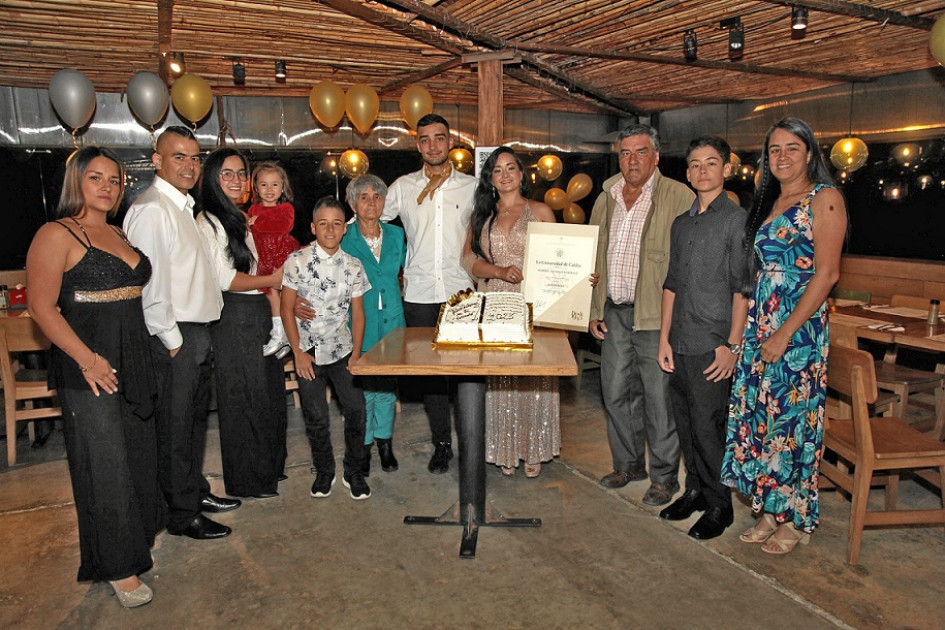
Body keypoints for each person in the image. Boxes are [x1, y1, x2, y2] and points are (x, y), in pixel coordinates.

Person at [27, 146, 163, 607]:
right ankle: (118, 567)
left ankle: (136, 539)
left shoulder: (119, 232)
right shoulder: (56, 233)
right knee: (103, 466)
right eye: (96, 179)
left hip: (134, 356)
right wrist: (88, 359)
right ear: (76, 183)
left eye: (115, 180)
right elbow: (41, 309)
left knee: (138, 455)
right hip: (88, 367)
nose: (108, 187)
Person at [721, 117, 846, 555]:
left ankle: (794, 517)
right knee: (761, 419)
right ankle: (770, 510)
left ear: (810, 153)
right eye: (774, 149)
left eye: (792, 148)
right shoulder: (771, 201)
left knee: (791, 424)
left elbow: (827, 273)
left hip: (798, 331)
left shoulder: (824, 198)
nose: (783, 157)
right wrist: (750, 335)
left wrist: (784, 334)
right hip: (762, 324)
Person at [124, 126, 239, 541]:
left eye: (195, 158)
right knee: (175, 429)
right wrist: (173, 341)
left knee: (192, 424)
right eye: (179, 157)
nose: (189, 166)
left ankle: (194, 492)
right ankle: (181, 514)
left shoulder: (182, 207)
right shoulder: (153, 209)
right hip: (178, 336)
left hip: (197, 331)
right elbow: (149, 284)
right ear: (157, 160)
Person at [588, 123, 695, 506]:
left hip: (656, 317)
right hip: (614, 311)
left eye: (640, 152)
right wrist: (591, 308)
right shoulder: (606, 197)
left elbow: (689, 262)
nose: (631, 160)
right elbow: (593, 257)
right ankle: (628, 464)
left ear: (656, 156)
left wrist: (679, 321)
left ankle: (665, 478)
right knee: (615, 392)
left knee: (658, 399)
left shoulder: (679, 196)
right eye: (625, 153)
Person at [656, 136, 748, 540]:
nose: (702, 171)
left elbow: (743, 288)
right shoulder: (681, 223)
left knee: (711, 429)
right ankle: (694, 490)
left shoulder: (736, 220)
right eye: (694, 164)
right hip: (678, 341)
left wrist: (732, 344)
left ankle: (719, 505)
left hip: (713, 345)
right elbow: (671, 284)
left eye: (712, 163)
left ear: (727, 169)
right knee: (686, 422)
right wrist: (663, 339)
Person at [380, 113, 477, 474]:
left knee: (468, 373)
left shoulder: (472, 187)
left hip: (462, 292)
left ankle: (472, 441)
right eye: (425, 139)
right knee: (433, 377)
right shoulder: (403, 187)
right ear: (417, 144)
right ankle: (442, 444)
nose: (433, 145)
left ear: (450, 142)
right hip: (419, 293)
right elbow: (373, 219)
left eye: (440, 138)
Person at [195, 148, 288, 499]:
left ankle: (267, 471)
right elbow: (225, 279)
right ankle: (247, 481)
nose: (237, 180)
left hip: (257, 312)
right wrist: (273, 279)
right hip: (233, 314)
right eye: (227, 173)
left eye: (241, 173)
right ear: (213, 178)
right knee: (242, 400)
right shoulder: (209, 220)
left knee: (266, 396)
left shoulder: (237, 217)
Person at [462, 147, 559, 477]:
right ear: (490, 178)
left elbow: (562, 256)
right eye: (497, 170)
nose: (504, 175)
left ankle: (534, 448)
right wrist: (498, 271)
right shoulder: (481, 217)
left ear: (521, 173)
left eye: (510, 168)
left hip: (535, 305)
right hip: (497, 302)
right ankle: (505, 449)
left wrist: (581, 276)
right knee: (502, 377)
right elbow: (467, 260)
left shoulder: (541, 211)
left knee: (534, 376)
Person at [282, 197, 372, 500]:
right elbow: (285, 309)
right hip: (307, 353)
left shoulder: (353, 266)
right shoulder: (296, 260)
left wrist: (357, 354)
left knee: (357, 411)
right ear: (312, 227)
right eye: (323, 223)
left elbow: (358, 314)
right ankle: (324, 470)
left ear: (344, 229)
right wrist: (297, 352)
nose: (330, 229)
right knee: (316, 417)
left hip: (343, 351)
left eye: (336, 223)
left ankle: (353, 470)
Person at [341, 175, 406, 475]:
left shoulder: (396, 235)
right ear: (352, 202)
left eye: (377, 196)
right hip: (359, 321)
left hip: (392, 320)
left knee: (387, 385)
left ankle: (385, 444)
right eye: (363, 197)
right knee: (364, 387)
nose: (371, 202)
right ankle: (364, 448)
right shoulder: (343, 236)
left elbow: (403, 273)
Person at [248, 161, 300, 358]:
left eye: (275, 184)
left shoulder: (286, 208)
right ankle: (283, 334)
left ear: (283, 187)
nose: (269, 190)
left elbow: (282, 226)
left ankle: (282, 333)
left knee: (285, 296)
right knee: (271, 293)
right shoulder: (253, 209)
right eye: (264, 185)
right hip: (263, 255)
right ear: (256, 187)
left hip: (280, 253)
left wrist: (257, 223)